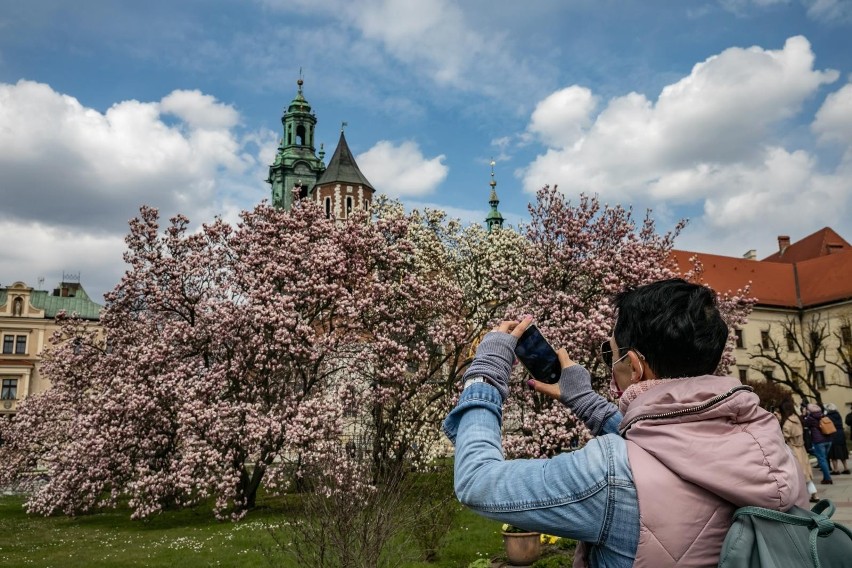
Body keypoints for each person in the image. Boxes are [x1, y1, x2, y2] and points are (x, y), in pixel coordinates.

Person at [443, 278, 806, 567]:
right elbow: (672, 448)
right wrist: (587, 403)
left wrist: (485, 376)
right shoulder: (766, 439)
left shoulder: (607, 472)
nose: (609, 364)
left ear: (633, 366)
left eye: (610, 354)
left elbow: (478, 483)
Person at [778, 397, 819, 502]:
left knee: (798, 474)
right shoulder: (797, 418)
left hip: (793, 449)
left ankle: (803, 496)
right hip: (801, 448)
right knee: (805, 473)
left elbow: (783, 437)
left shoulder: (787, 422)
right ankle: (814, 494)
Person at [803, 403, 834, 484]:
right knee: (824, 458)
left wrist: (804, 415)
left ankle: (827, 478)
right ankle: (826, 477)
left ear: (809, 410)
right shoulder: (823, 415)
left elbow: (804, 424)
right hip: (829, 439)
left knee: (822, 459)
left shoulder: (810, 418)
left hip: (819, 441)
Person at [826, 402, 850, 474]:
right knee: (842, 452)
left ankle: (835, 469)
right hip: (841, 434)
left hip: (833, 434)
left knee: (833, 453)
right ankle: (846, 468)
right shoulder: (838, 415)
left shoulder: (828, 417)